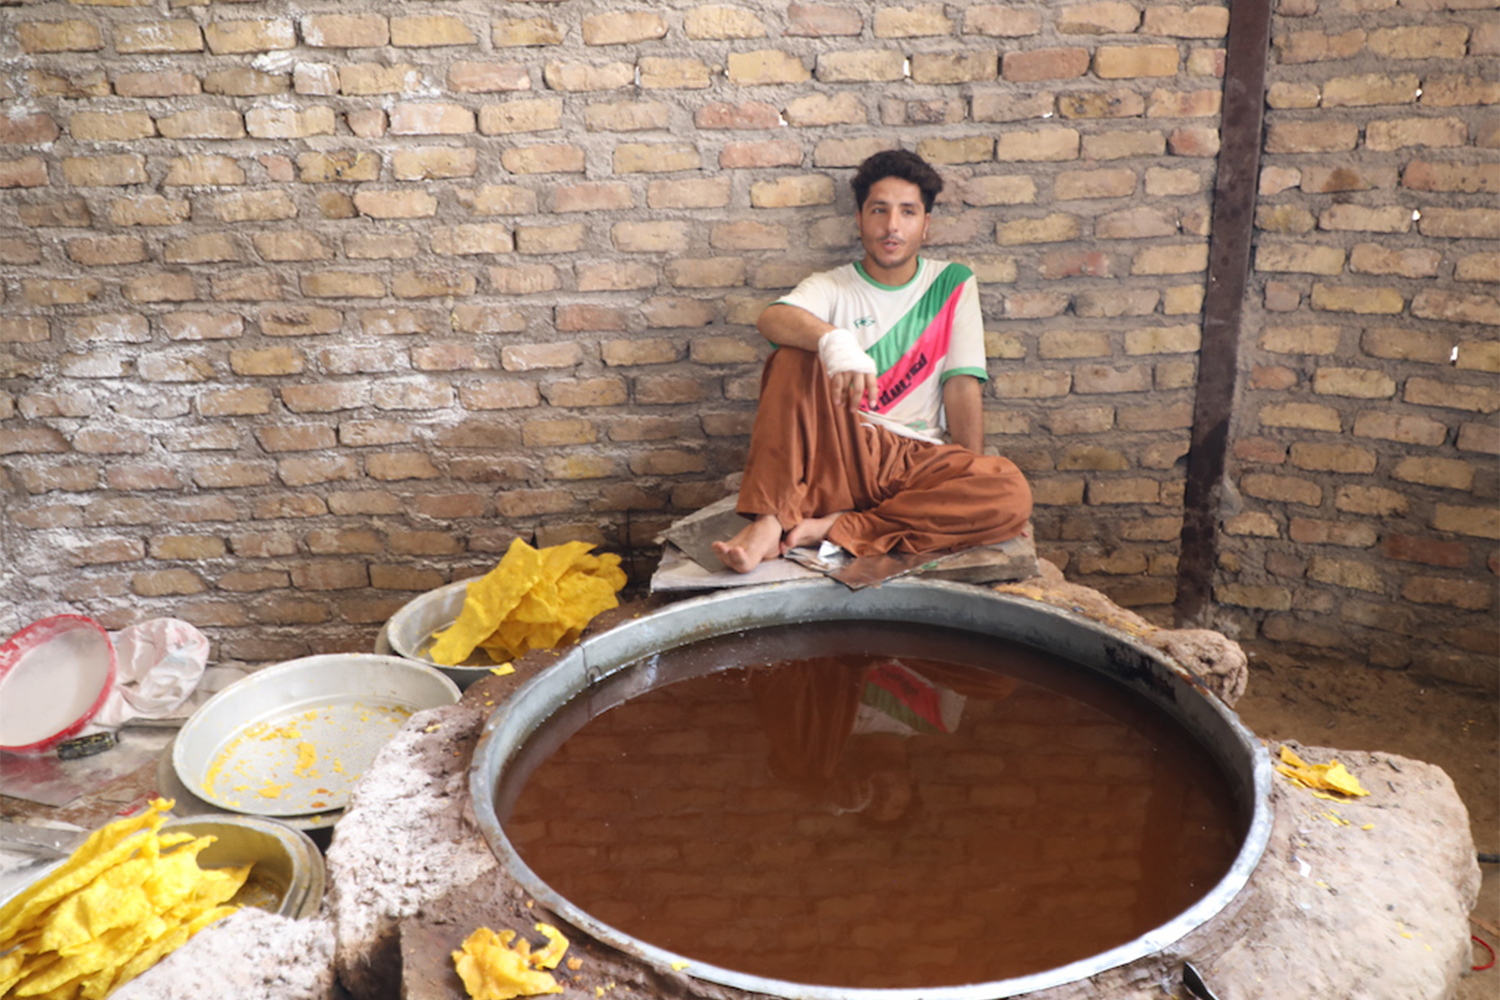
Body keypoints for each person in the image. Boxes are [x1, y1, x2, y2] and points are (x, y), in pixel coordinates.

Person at [712, 149, 1033, 573]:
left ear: (926, 223)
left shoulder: (952, 282)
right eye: (879, 210)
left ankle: (836, 526)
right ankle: (770, 518)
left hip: (917, 459)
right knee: (792, 356)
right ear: (860, 220)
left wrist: (969, 479)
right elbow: (772, 318)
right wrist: (833, 341)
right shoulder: (832, 285)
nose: (892, 226)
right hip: (845, 447)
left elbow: (961, 385)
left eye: (907, 212)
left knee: (1009, 490)